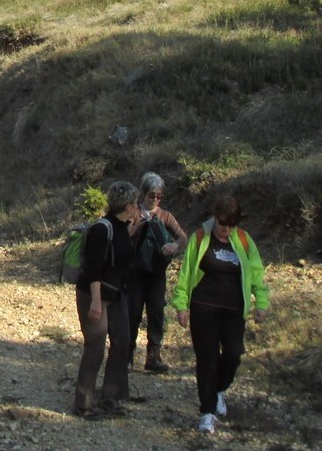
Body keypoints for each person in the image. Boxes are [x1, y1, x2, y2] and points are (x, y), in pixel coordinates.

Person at [172, 196, 269, 434]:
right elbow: (185, 274)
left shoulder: (244, 241)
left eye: (230, 225)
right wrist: (181, 305)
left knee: (234, 354)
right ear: (215, 218)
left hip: (234, 310)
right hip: (203, 307)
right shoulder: (200, 238)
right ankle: (206, 413)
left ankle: (218, 391)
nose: (225, 229)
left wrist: (261, 303)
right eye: (222, 223)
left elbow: (256, 273)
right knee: (207, 360)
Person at [72, 181, 139, 420]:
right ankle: (84, 403)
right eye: (135, 204)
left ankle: (110, 396)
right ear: (128, 206)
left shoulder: (123, 228)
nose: (137, 208)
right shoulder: (102, 229)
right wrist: (97, 303)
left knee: (122, 342)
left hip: (116, 295)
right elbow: (93, 269)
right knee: (96, 347)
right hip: (94, 295)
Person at [127, 172, 188, 373]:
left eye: (159, 196)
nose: (155, 199)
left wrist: (174, 245)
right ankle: (126, 356)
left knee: (156, 313)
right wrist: (139, 225)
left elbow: (182, 238)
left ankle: (153, 357)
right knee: (132, 314)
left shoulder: (165, 216)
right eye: (152, 195)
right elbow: (124, 236)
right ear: (143, 194)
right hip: (135, 273)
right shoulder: (134, 212)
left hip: (156, 274)